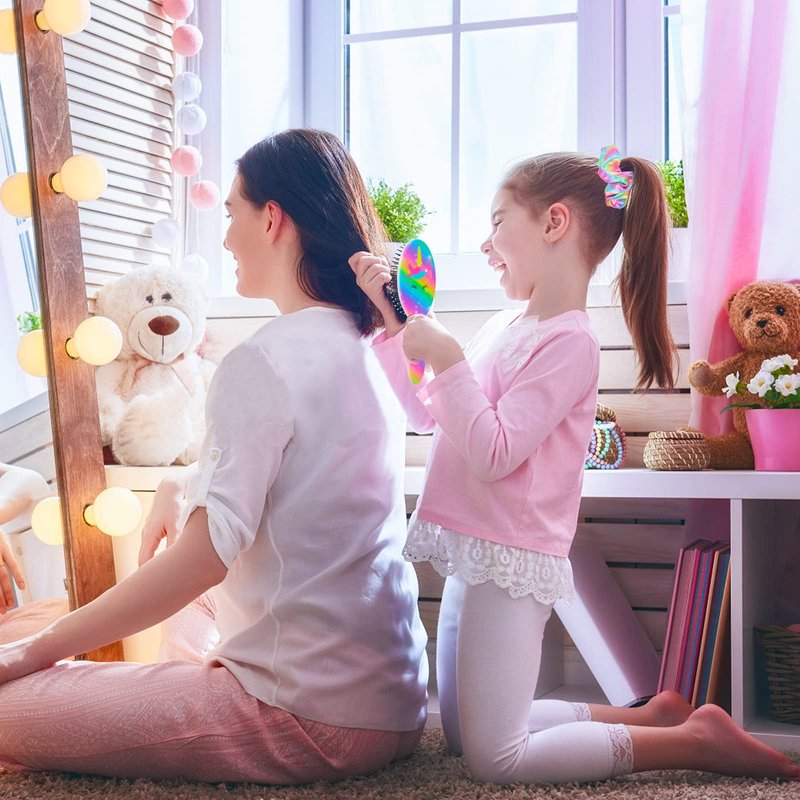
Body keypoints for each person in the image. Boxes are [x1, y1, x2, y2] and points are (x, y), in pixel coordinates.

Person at [349, 147, 800, 784]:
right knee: (460, 736)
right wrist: (397, 330)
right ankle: (653, 716)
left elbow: (494, 451)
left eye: (498, 222)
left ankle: (694, 741)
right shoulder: (506, 324)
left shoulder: (570, 342)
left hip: (512, 554)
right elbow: (430, 415)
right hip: (476, 545)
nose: (485, 244)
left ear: (554, 222)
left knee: (496, 761)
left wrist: (447, 359)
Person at [0, 128, 428, 784]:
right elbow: (307, 484)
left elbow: (203, 561)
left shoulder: (263, 359)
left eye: (232, 214)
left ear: (272, 218)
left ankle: (174, 702)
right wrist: (184, 486)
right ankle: (173, 698)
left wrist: (38, 650)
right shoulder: (364, 347)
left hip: (303, 718)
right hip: (392, 705)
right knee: (191, 597)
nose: (226, 238)